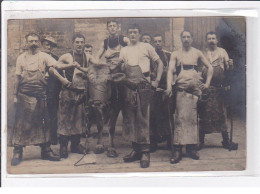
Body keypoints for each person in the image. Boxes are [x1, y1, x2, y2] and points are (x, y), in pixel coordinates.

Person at [11, 32, 71, 166]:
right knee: (22, 124)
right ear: (26, 43)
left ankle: (46, 150)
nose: (33, 43)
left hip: (40, 96)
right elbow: (17, 78)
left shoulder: (45, 56)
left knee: (44, 124)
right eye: (30, 41)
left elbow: (57, 66)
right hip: (24, 96)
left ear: (38, 43)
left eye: (35, 41)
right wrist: (15, 95)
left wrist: (71, 65)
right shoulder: (21, 58)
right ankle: (18, 151)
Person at [119, 24, 164, 168]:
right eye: (130, 32)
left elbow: (160, 63)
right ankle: (135, 150)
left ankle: (145, 151)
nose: (133, 34)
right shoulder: (124, 50)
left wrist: (156, 81)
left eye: (135, 32)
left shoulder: (146, 47)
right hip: (129, 86)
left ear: (139, 34)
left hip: (144, 85)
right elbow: (120, 67)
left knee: (143, 118)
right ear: (127, 34)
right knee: (131, 118)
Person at [166, 30, 213, 164]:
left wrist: (207, 83)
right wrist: (169, 87)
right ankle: (178, 149)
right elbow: (170, 70)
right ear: (181, 39)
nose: (186, 39)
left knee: (193, 119)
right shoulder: (175, 54)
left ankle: (191, 148)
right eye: (184, 37)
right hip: (181, 89)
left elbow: (210, 68)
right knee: (180, 119)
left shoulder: (197, 53)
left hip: (194, 90)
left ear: (192, 39)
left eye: (188, 37)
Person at [57, 33, 106, 159]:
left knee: (79, 120)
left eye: (81, 42)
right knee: (65, 119)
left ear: (84, 43)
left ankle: (75, 145)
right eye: (77, 42)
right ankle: (63, 146)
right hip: (68, 91)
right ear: (72, 43)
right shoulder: (67, 56)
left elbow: (97, 64)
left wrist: (107, 60)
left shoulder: (87, 56)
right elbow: (55, 67)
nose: (79, 45)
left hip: (81, 92)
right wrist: (64, 77)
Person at [198, 31, 238, 150]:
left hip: (219, 88)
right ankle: (201, 141)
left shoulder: (222, 52)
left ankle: (225, 141)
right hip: (206, 88)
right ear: (206, 41)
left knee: (221, 114)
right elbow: (199, 70)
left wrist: (231, 65)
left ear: (217, 40)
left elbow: (228, 69)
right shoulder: (203, 53)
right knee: (204, 113)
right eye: (209, 38)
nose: (211, 41)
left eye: (213, 38)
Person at [96, 20, 129, 158]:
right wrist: (103, 65)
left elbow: (132, 49)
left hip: (123, 74)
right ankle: (103, 141)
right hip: (109, 75)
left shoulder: (123, 40)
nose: (112, 28)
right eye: (110, 26)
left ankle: (132, 140)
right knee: (103, 105)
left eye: (115, 26)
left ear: (118, 27)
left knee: (126, 104)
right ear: (107, 28)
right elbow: (96, 57)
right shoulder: (105, 42)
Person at [149, 34, 172, 151]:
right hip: (153, 89)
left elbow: (173, 72)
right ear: (153, 43)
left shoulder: (168, 55)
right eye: (155, 41)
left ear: (163, 42)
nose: (158, 43)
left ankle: (169, 141)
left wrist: (169, 87)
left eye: (159, 41)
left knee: (167, 115)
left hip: (165, 88)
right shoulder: (149, 56)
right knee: (152, 115)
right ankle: (153, 142)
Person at [41, 36, 61, 145]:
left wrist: (59, 91)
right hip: (40, 90)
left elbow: (59, 76)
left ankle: (53, 137)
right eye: (46, 44)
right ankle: (41, 139)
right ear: (42, 45)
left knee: (53, 115)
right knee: (40, 114)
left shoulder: (56, 58)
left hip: (52, 91)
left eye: (51, 45)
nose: (49, 47)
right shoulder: (38, 57)